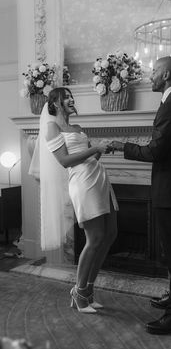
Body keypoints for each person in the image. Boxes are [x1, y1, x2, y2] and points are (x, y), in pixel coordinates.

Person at [111, 56, 171, 334]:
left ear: (168, 75)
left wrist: (119, 145)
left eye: (154, 72)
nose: (150, 77)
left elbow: (155, 151)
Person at [41, 87, 118, 313]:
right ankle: (79, 291)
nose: (71, 99)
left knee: (110, 234)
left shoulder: (78, 127)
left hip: (99, 178)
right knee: (95, 239)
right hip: (83, 182)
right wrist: (94, 147)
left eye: (71, 96)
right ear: (55, 103)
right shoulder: (51, 128)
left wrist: (101, 150)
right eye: (66, 97)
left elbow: (88, 155)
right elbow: (65, 161)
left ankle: (88, 292)